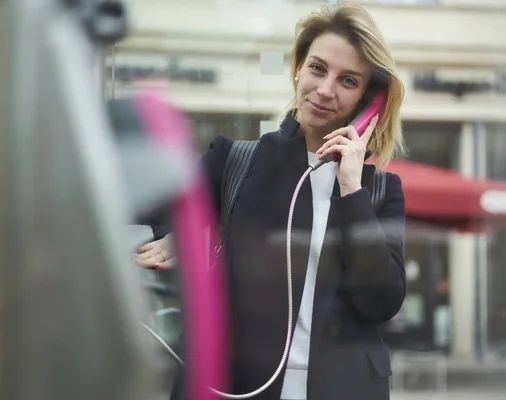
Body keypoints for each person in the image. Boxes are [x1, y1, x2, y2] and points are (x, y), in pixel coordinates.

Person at [137, 4, 407, 400]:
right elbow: (152, 207)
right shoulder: (235, 161)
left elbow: (381, 301)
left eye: (348, 80)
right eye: (317, 68)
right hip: (239, 384)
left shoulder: (380, 191)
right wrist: (183, 235)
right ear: (298, 67)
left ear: (369, 100)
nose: (326, 89)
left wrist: (352, 190)